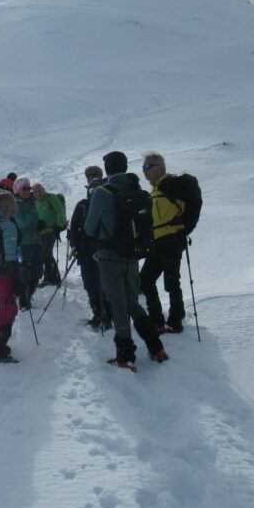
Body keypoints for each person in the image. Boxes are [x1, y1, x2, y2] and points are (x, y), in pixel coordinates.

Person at [85, 151, 168, 368]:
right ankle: (156, 347)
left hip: (109, 256)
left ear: (108, 169)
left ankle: (125, 356)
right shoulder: (135, 188)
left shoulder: (103, 192)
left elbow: (89, 228)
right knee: (132, 300)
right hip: (132, 254)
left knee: (119, 304)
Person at [139, 151, 191, 333]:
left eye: (148, 167)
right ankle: (157, 320)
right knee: (145, 280)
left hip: (172, 239)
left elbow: (185, 207)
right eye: (143, 167)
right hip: (158, 240)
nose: (144, 171)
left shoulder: (171, 185)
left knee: (171, 281)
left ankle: (176, 320)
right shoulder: (155, 189)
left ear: (160, 168)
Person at [68, 166, 109, 328]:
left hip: (101, 248)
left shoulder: (108, 197)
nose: (90, 177)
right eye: (88, 175)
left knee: (102, 283)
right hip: (85, 250)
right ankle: (97, 312)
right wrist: (74, 241)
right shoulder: (82, 205)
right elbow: (75, 224)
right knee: (89, 282)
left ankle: (107, 314)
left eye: (94, 175)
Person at [0, 191, 22, 363]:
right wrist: (17, 279)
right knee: (8, 309)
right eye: (14, 203)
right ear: (8, 205)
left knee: (5, 307)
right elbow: (10, 255)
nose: (16, 205)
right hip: (5, 273)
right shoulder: (6, 225)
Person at [12, 178, 43, 310]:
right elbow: (22, 223)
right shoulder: (16, 204)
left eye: (28, 188)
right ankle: (24, 300)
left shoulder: (35, 200)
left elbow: (42, 216)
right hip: (24, 243)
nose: (27, 191)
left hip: (37, 240)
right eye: (24, 188)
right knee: (25, 272)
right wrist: (33, 212)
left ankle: (28, 295)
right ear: (18, 190)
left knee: (37, 272)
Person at [33, 182, 67, 286]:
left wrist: (59, 226)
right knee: (44, 255)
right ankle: (49, 277)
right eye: (35, 192)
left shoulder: (51, 197)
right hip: (41, 232)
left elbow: (60, 211)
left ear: (43, 189)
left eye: (39, 191)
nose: (38, 193)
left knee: (46, 253)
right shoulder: (35, 202)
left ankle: (53, 278)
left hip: (51, 230)